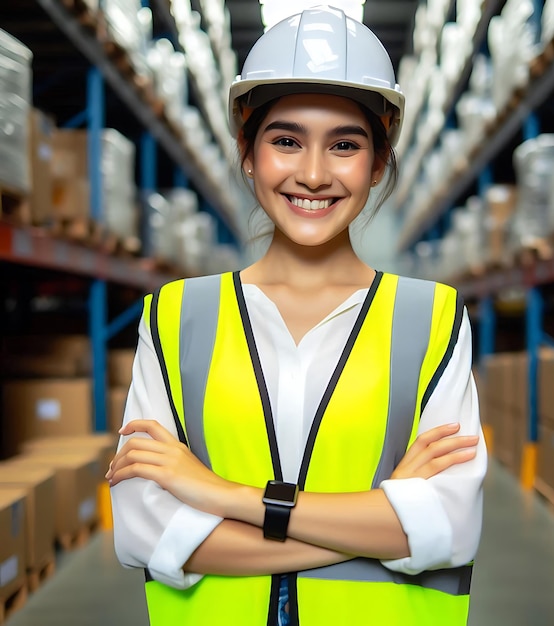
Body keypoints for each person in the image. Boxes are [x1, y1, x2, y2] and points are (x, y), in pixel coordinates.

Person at [107, 6, 487, 626]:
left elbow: (448, 527)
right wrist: (379, 521)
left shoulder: (432, 319)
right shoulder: (176, 318)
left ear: (379, 163)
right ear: (249, 153)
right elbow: (148, 532)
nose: (313, 173)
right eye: (286, 140)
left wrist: (222, 497)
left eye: (345, 145)